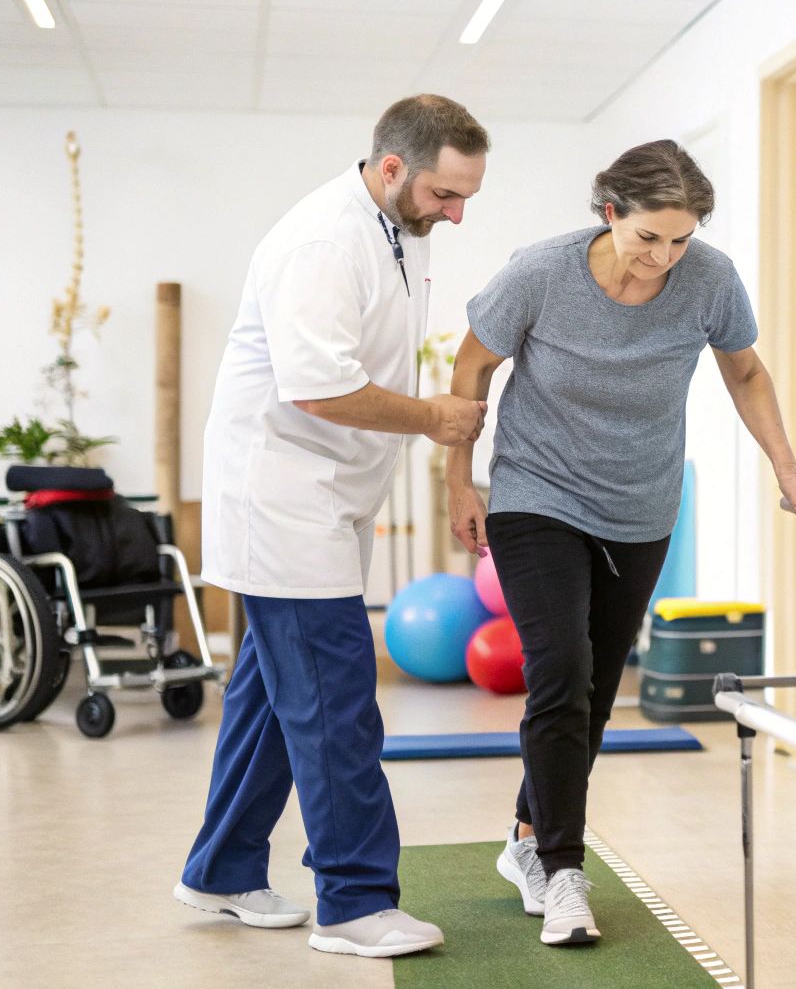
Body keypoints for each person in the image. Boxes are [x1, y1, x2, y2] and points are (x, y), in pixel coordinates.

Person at [446, 139, 796, 946]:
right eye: (649, 236)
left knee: (594, 688)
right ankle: (565, 872)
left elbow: (745, 372)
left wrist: (788, 466)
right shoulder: (540, 272)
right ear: (610, 211)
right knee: (561, 671)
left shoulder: (709, 278)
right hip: (536, 494)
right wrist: (459, 478)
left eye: (681, 239)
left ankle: (526, 842)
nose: (664, 257)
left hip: (640, 505)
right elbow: (472, 365)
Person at [177, 94, 490, 958]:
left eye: (468, 197)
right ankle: (353, 901)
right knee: (337, 702)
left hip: (330, 496)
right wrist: (434, 419)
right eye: (444, 194)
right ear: (391, 168)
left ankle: (222, 868)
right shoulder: (321, 240)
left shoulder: (395, 229)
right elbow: (315, 387)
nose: (456, 214)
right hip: (282, 500)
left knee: (275, 701)